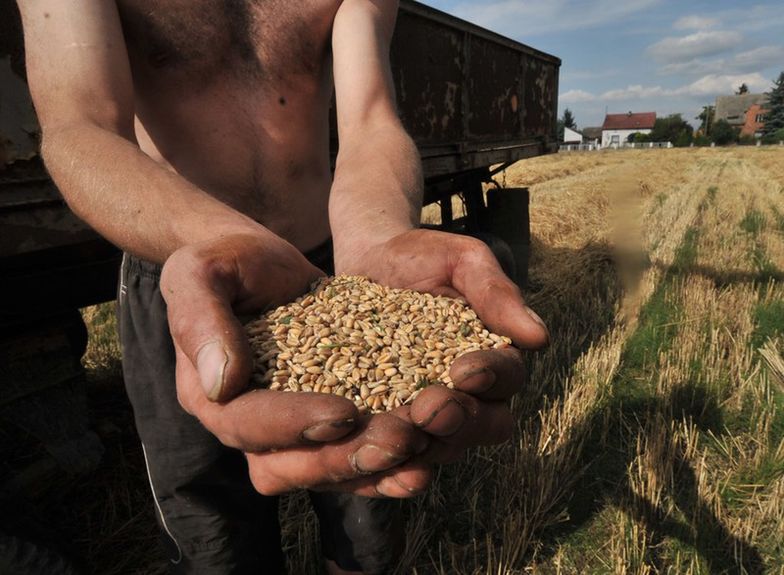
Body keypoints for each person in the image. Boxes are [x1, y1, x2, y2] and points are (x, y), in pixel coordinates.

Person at [17, 0, 549, 573]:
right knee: (213, 528)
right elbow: (82, 128)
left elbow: (370, 121)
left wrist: (376, 236)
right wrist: (228, 247)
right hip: (181, 272)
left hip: (338, 270)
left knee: (369, 504)